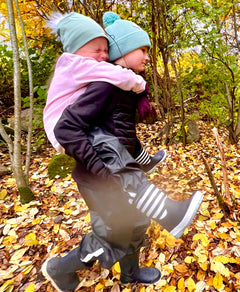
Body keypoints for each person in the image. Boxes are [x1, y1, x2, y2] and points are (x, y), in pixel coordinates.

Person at [41, 12, 203, 292]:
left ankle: (131, 274)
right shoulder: (104, 86)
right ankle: (59, 268)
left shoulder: (120, 88)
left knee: (137, 221)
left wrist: (145, 161)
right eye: (142, 49)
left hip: (114, 173)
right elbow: (67, 130)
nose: (148, 57)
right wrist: (102, 170)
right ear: (125, 49)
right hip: (98, 178)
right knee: (112, 235)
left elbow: (124, 138)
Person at [43, 12, 166, 174]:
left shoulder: (78, 68)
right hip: (67, 130)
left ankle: (142, 164)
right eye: (97, 50)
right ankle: (133, 187)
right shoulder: (76, 64)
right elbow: (118, 74)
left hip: (74, 126)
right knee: (112, 153)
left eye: (106, 50)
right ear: (77, 50)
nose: (104, 56)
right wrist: (142, 87)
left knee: (116, 135)